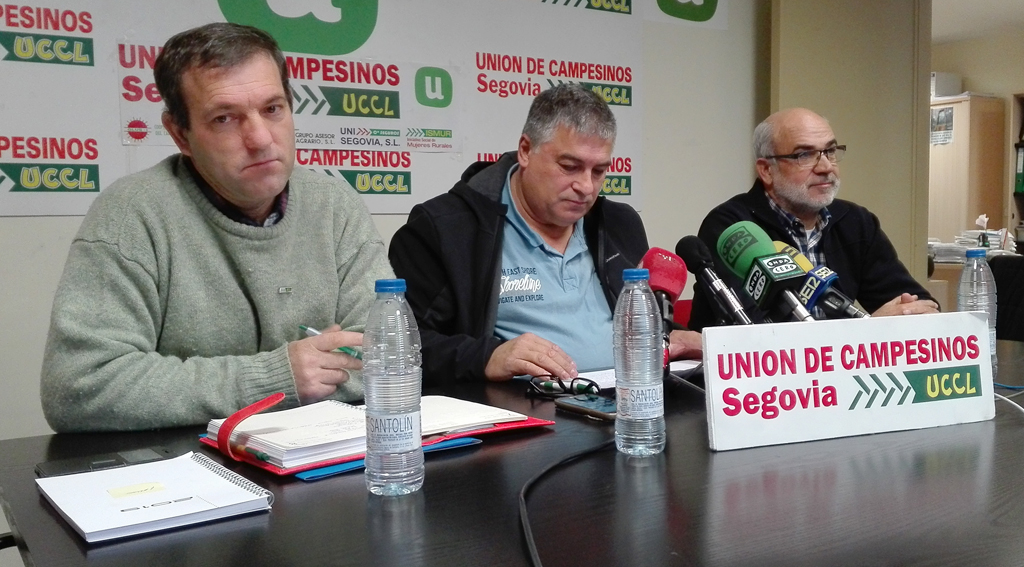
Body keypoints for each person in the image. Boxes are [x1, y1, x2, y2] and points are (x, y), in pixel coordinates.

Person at [40, 23, 392, 432]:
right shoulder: (131, 214)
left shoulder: (335, 205)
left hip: (323, 464)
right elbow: (79, 388)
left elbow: (387, 357)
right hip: (183, 478)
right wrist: (275, 379)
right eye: (225, 118)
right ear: (180, 134)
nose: (260, 139)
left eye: (273, 109)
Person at [389, 84, 702, 386]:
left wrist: (668, 336)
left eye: (599, 171)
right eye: (569, 167)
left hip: (626, 405)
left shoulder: (620, 223)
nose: (587, 187)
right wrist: (488, 357)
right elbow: (400, 344)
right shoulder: (445, 228)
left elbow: (633, 321)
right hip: (524, 417)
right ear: (526, 150)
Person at [689, 107, 938, 330]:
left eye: (830, 151)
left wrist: (907, 311)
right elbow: (755, 332)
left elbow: (919, 303)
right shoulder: (731, 227)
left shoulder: (855, 221)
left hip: (839, 375)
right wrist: (866, 330)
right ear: (766, 170)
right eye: (804, 156)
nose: (826, 167)